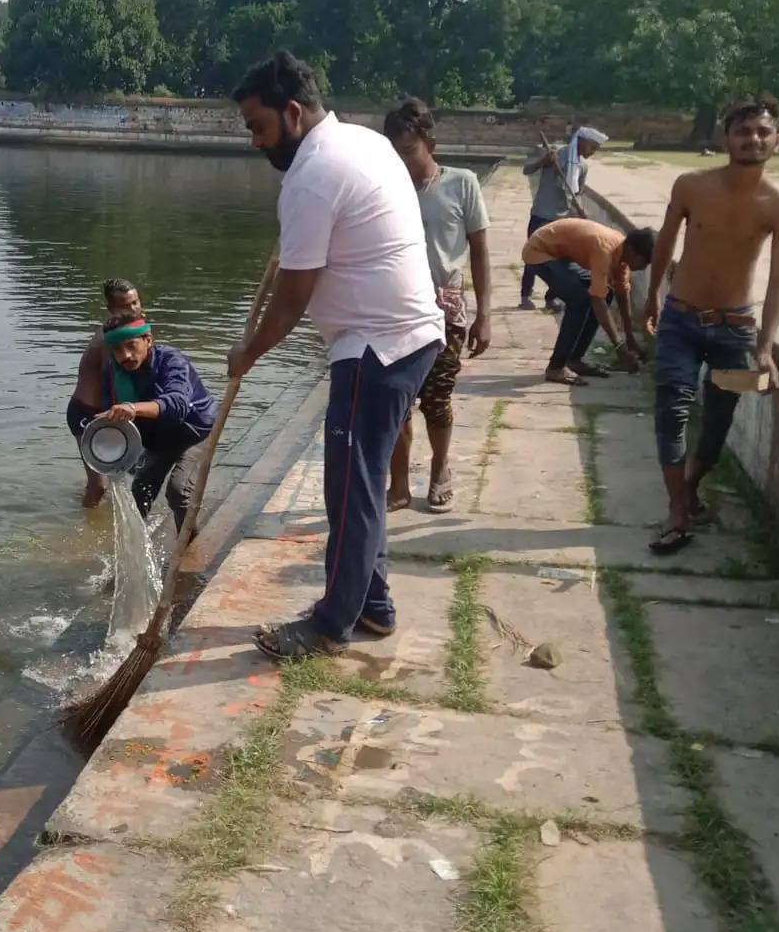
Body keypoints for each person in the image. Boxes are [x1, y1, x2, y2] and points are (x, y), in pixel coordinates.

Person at [225, 53, 443, 659]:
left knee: (349, 487)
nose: (254, 141)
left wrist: (246, 352)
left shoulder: (314, 175)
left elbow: (293, 299)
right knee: (364, 481)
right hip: (408, 335)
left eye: (258, 126)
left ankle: (331, 623)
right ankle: (371, 606)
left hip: (377, 344)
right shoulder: (360, 143)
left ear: (292, 112)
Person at [642, 93, 779, 555]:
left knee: (718, 422)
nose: (753, 139)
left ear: (777, 141)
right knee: (671, 408)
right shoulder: (691, 185)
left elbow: (778, 282)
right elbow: (665, 244)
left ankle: (690, 486)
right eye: (743, 131)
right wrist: (651, 294)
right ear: (726, 137)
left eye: (762, 132)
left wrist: (766, 346)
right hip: (681, 320)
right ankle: (677, 509)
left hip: (735, 331)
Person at [382, 98, 492, 513]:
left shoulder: (462, 183)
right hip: (398, 312)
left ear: (431, 143)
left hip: (447, 313)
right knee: (398, 402)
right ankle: (398, 484)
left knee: (437, 399)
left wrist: (485, 316)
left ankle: (440, 468)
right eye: (395, 152)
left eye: (409, 151)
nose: (403, 160)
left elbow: (479, 251)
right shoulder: (387, 188)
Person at [92, 309, 217, 530]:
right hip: (159, 437)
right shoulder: (115, 373)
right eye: (117, 350)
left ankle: (188, 546)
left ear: (148, 340)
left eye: (131, 346)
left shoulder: (172, 361)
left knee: (179, 492)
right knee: (140, 493)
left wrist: (133, 408)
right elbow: (109, 414)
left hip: (195, 431)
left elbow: (177, 404)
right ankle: (135, 551)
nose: (126, 356)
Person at [521, 219, 652, 385]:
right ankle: (556, 367)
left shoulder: (622, 255)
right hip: (539, 251)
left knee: (607, 293)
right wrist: (619, 347)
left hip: (561, 256)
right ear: (633, 252)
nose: (644, 267)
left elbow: (621, 293)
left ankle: (574, 359)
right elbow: (597, 299)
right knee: (580, 300)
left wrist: (630, 338)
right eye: (644, 262)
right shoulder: (606, 249)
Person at [67, 278, 141, 507]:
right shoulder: (109, 340)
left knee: (132, 471)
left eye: (136, 302)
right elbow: (116, 383)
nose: (133, 310)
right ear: (111, 310)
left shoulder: (128, 333)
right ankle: (83, 526)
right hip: (87, 414)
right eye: (125, 306)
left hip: (108, 410)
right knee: (99, 485)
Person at [519, 125, 607, 311]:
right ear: (582, 141)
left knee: (561, 262)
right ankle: (525, 296)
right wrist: (543, 161)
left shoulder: (582, 167)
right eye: (592, 147)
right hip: (541, 215)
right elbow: (527, 170)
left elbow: (577, 194)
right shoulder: (555, 154)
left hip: (562, 221)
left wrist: (581, 212)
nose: (592, 153)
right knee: (533, 257)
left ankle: (551, 298)